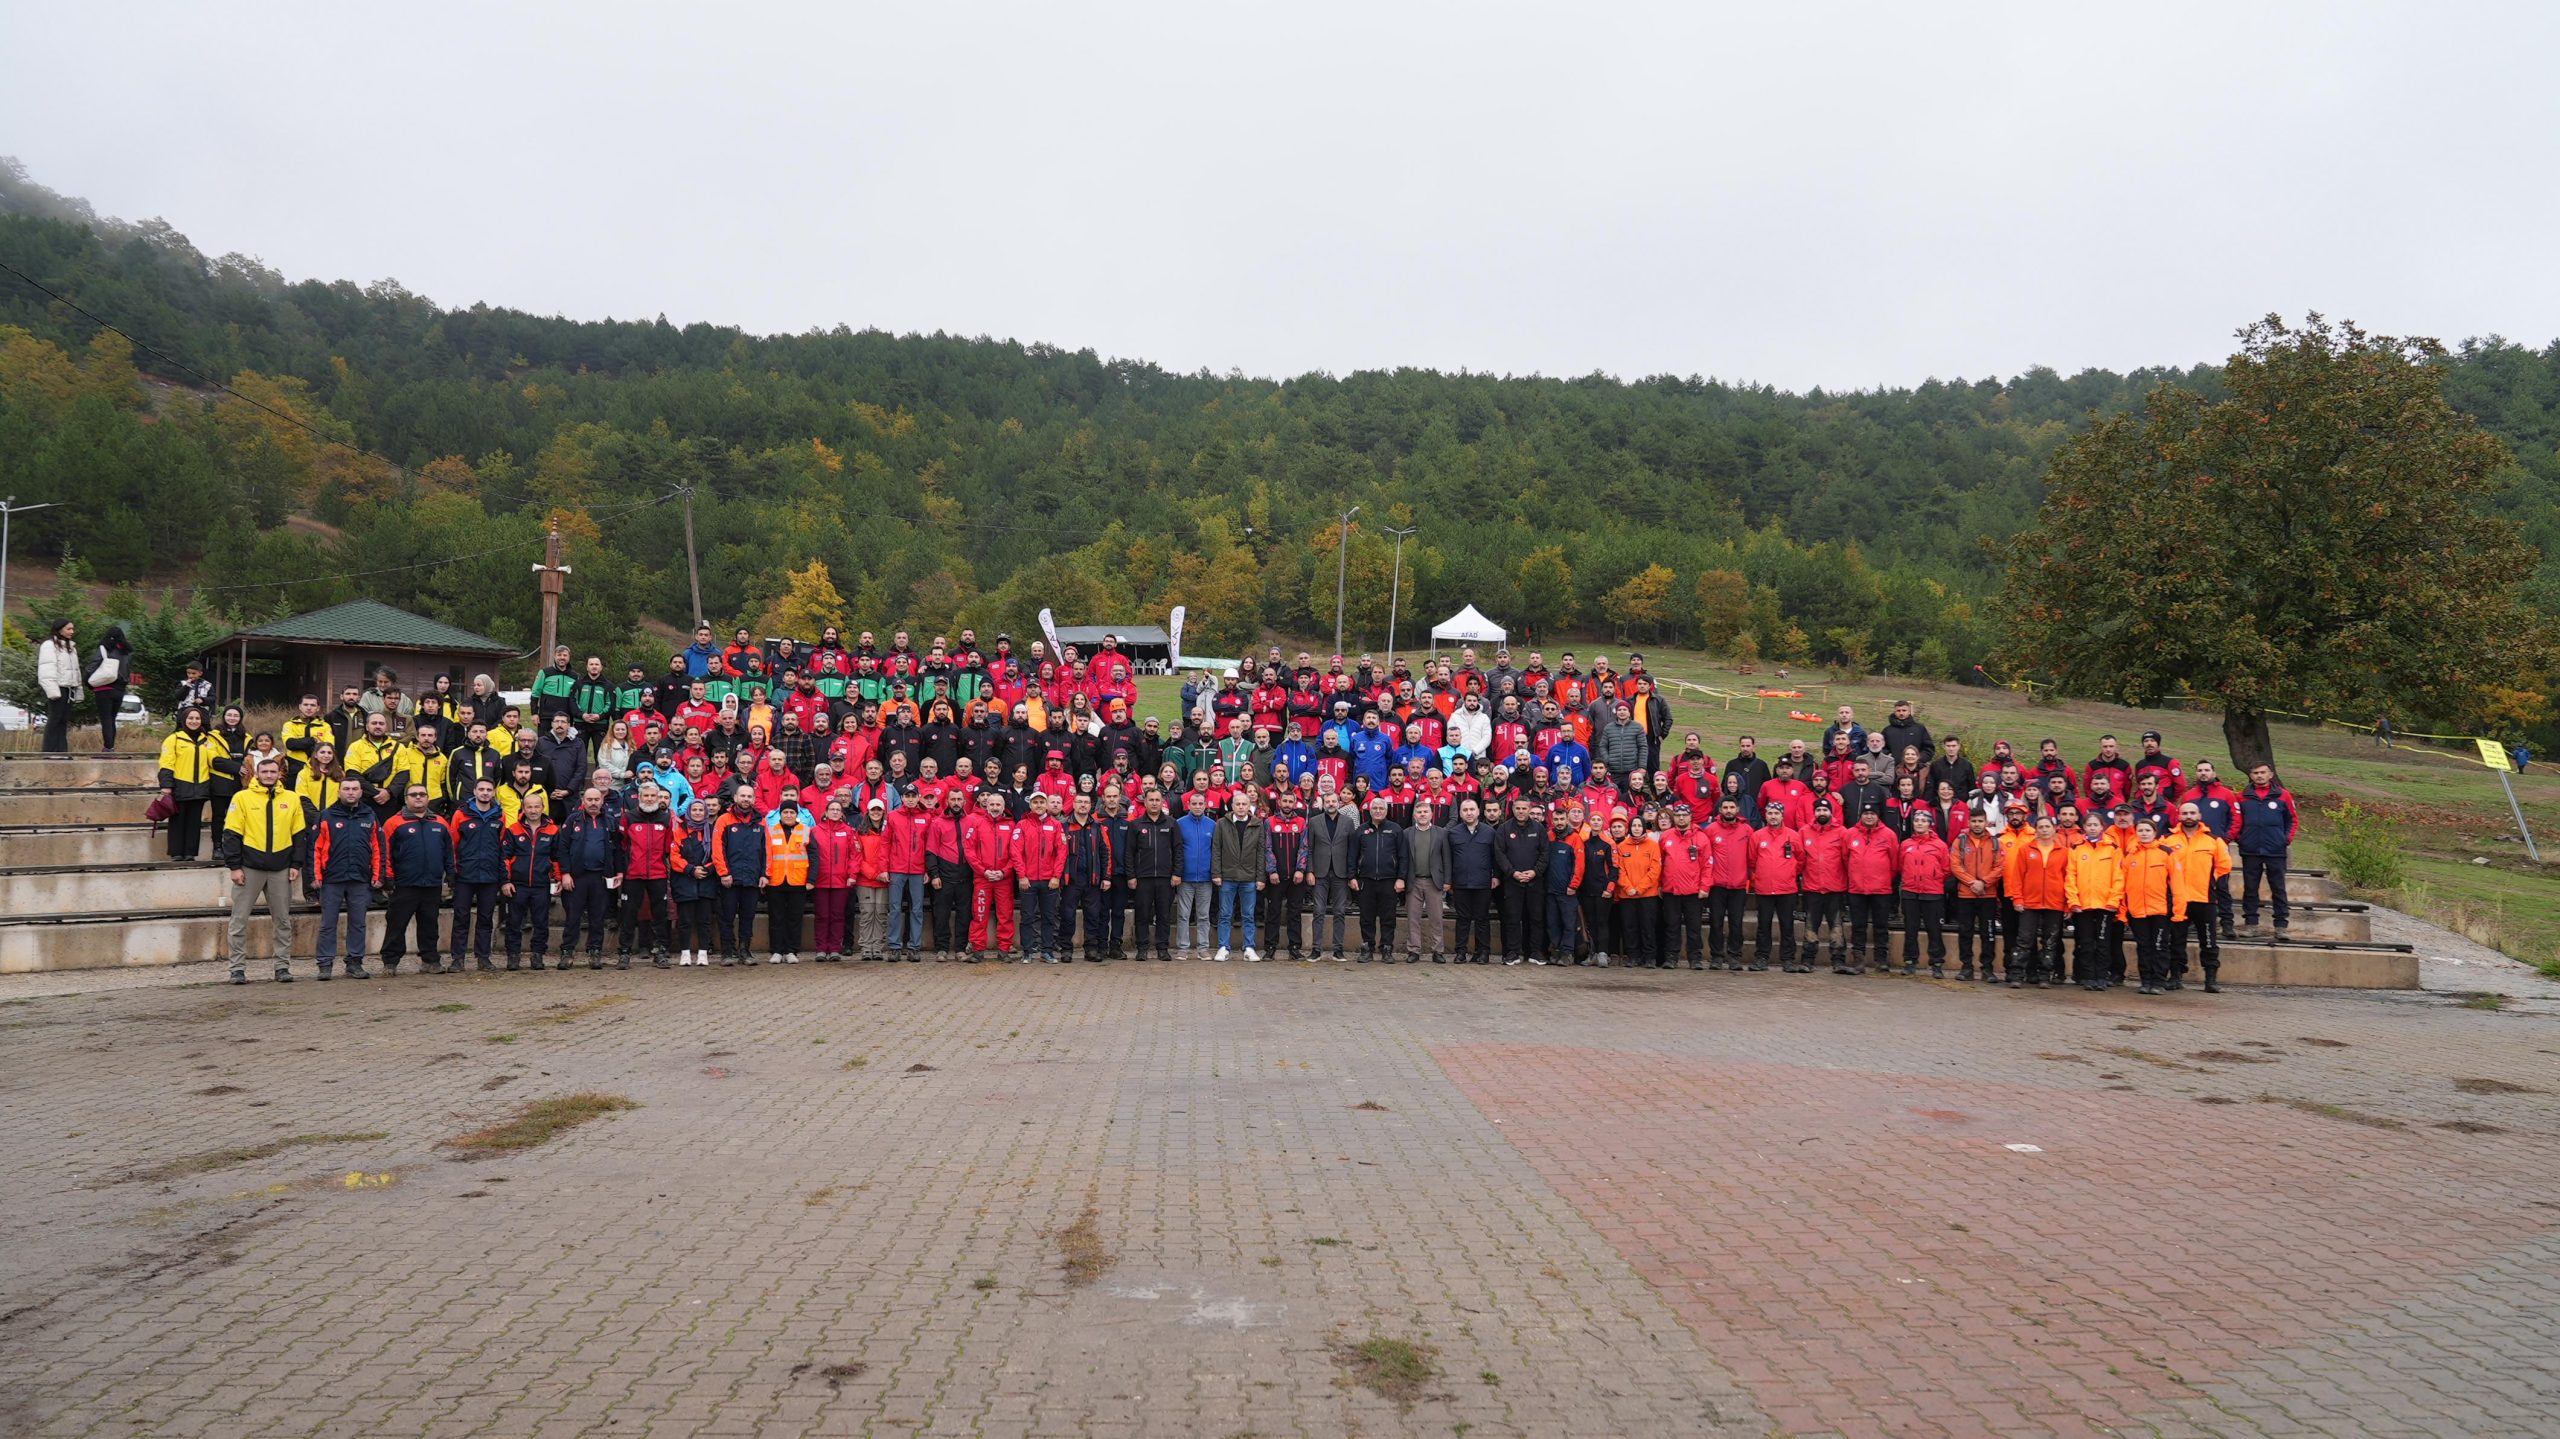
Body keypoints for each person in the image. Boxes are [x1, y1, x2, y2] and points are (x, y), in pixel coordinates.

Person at [308, 776, 382, 979]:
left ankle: (355, 962)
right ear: (339, 791)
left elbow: (377, 848)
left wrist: (378, 875)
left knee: (358, 923)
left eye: (355, 789)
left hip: (360, 878)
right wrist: (315, 875)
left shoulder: (369, 815)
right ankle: (325, 964)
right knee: (328, 923)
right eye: (347, 789)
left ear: (361, 792)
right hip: (331, 878)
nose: (351, 792)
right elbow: (315, 848)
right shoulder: (326, 815)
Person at [379, 783, 453, 976]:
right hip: (404, 885)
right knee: (396, 925)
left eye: (422, 794)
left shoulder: (440, 823)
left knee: (430, 925)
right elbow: (384, 852)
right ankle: (390, 962)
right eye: (413, 795)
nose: (418, 797)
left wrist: (450, 875)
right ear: (406, 799)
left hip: (432, 884)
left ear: (428, 798)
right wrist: (388, 878)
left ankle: (430, 960)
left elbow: (449, 853)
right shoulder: (393, 823)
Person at [2167, 801, 2233, 993]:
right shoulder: (2168, 840)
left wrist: (2211, 881)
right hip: (2178, 900)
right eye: (2185, 813)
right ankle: (2176, 976)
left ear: (2199, 816)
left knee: (2209, 940)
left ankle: (2211, 979)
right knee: (2176, 940)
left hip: (2204, 898)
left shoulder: (2213, 840)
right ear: (2179, 816)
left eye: (2192, 813)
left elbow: (2224, 865)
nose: (2188, 816)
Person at [446, 777, 509, 973]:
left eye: (489, 789)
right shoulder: (460, 814)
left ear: (493, 793)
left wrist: (502, 875)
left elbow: (501, 847)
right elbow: (452, 845)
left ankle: (483, 958)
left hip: (489, 877)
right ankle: (457, 959)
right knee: (461, 918)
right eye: (481, 789)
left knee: (485, 918)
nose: (485, 793)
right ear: (474, 791)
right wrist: (452, 873)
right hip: (465, 875)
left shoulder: (500, 816)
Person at [557, 788, 625, 968]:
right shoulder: (573, 820)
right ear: (583, 801)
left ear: (602, 800)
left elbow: (617, 849)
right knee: (573, 916)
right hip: (576, 877)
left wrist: (619, 872)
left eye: (596, 799)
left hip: (601, 877)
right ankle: (567, 952)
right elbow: (562, 848)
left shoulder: (610, 822)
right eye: (589, 799)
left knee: (598, 917)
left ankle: (595, 952)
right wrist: (564, 873)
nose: (593, 803)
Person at [2004, 814, 2072, 987]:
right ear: (2036, 830)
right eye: (2040, 827)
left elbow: (2068, 878)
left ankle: (2044, 976)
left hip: (2054, 902)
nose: (2044, 830)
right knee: (2024, 939)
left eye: (2047, 826)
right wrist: (2017, 898)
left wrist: (2067, 904)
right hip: (2029, 902)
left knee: (2050, 941)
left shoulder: (2064, 852)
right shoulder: (2025, 850)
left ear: (2054, 829)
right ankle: (2017, 975)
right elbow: (2017, 876)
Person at [620, 781, 679, 966]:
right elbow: (622, 845)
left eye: (653, 795)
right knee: (629, 914)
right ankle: (624, 952)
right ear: (639, 797)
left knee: (660, 914)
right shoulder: (628, 817)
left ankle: (661, 951)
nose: (650, 799)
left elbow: (669, 846)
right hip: (633, 874)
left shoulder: (665, 818)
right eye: (646, 795)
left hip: (658, 873)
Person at [156, 705, 226, 862]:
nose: (194, 721)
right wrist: (166, 785)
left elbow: (213, 760)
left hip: (201, 786)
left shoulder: (206, 740)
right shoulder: (174, 739)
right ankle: (176, 853)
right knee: (177, 821)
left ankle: (190, 853)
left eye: (197, 718)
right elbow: (166, 763)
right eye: (191, 718)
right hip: (180, 785)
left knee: (194, 822)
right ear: (184, 720)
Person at [2235, 763, 2297, 933]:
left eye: (2263, 772)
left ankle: (2281, 925)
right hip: (2250, 850)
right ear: (2251, 775)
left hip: (2275, 850)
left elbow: (2292, 820)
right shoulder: (2242, 797)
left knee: (2278, 887)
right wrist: (2242, 839)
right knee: (2250, 888)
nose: (2259, 776)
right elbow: (2236, 821)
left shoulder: (2283, 795)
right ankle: (2251, 924)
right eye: (2255, 773)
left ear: (2270, 774)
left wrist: (2285, 840)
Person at [2065, 813, 2125, 989]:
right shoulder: (2076, 848)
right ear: (2084, 827)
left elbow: (2118, 877)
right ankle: (2087, 977)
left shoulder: (2113, 848)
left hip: (2105, 905)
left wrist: (2113, 901)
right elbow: (2071, 876)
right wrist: (2073, 900)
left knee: (2103, 943)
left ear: (2102, 827)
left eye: (2095, 825)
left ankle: (2101, 977)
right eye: (2089, 824)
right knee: (2085, 943)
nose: (2092, 828)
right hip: (2082, 906)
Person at [503, 796, 562, 970]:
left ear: (543, 807)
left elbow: (556, 858)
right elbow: (505, 858)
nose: (533, 810)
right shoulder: (513, 830)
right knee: (514, 922)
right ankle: (513, 956)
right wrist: (505, 881)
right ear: (523, 808)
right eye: (529, 807)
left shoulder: (552, 830)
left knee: (541, 922)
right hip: (517, 884)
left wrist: (558, 878)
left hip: (541, 884)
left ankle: (537, 955)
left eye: (537, 806)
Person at [1947, 807, 2004, 982]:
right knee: (1965, 932)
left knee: (1988, 933)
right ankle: (1966, 967)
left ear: (1986, 822)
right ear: (1968, 822)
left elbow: (2000, 866)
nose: (1977, 824)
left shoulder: (1995, 842)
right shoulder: (1960, 841)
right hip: (1966, 894)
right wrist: (1972, 882)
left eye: (1980, 821)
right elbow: (1955, 865)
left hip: (1987, 895)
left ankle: (1987, 969)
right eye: (1974, 821)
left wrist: (1984, 882)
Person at [2121, 818, 2177, 995]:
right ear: (2136, 833)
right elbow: (2122, 886)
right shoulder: (2130, 856)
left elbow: (2177, 883)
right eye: (2140, 830)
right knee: (2143, 947)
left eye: (2147, 830)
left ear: (2155, 833)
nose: (2144, 833)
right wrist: (2123, 911)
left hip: (2160, 910)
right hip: (2137, 911)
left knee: (2160, 946)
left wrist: (2178, 909)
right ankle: (2145, 981)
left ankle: (2158, 981)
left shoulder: (2166, 853)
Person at [1211, 791, 1268, 962]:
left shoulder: (1258, 824)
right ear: (1232, 806)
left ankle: (1249, 947)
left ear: (1250, 806)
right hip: (1227, 876)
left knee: (1248, 915)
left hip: (1249, 878)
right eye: (1238, 804)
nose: (1241, 807)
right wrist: (1217, 873)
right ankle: (1223, 947)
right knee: (1225, 914)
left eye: (1244, 804)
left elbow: (1260, 853)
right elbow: (1216, 849)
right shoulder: (1222, 824)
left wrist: (1260, 877)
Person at [710, 789, 766, 965]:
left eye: (749, 796)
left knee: (748, 916)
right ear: (735, 798)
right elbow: (717, 849)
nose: (746, 799)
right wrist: (724, 872)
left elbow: (767, 850)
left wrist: (765, 873)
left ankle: (745, 951)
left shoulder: (761, 822)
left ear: (754, 799)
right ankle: (727, 952)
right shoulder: (724, 820)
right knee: (727, 916)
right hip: (730, 879)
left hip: (752, 877)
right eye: (742, 796)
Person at [1350, 794, 1408, 960]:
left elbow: (1403, 856)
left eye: (1381, 808)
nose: (1377, 811)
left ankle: (1387, 948)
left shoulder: (1395, 829)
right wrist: (1352, 876)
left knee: (1388, 917)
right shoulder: (1361, 830)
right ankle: (1367, 948)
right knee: (1366, 917)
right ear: (1369, 810)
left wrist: (1401, 878)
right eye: (1374, 808)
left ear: (1386, 810)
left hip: (1389, 881)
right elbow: (1352, 855)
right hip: (1366, 881)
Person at [1746, 801, 1802, 971]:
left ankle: (1788, 959)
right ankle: (1762, 957)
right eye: (1770, 813)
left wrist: (1789, 872)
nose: (1773, 816)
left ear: (1782, 815)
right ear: (1766, 815)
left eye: (1776, 813)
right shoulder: (1757, 836)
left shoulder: (1793, 836)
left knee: (1787, 925)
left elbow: (1800, 860)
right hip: (1764, 888)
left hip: (1787, 889)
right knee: (1764, 925)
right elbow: (1752, 861)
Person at [1014, 791, 1068, 963]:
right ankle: (1027, 952)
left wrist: (1055, 876)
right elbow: (1016, 852)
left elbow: (1061, 852)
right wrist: (1022, 876)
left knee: (1049, 917)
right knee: (1027, 917)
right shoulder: (1022, 825)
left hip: (1049, 880)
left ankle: (1047, 951)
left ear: (1046, 805)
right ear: (1030, 805)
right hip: (1028, 881)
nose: (1038, 805)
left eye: (1041, 802)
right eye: (1035, 802)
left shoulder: (1056, 825)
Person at [1897, 808, 1951, 976]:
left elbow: (1946, 869)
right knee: (1910, 929)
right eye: (1917, 820)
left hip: (1932, 893)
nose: (1919, 823)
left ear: (1930, 824)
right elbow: (1900, 866)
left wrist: (1934, 878)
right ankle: (1910, 961)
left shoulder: (1940, 845)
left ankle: (1936, 964)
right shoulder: (1906, 844)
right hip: (1910, 892)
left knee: (1934, 929)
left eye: (1923, 820)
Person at [1308, 789, 1361, 961]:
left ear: (1338, 803)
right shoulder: (1314, 822)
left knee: (1339, 911)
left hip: (1341, 872)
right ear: (1323, 804)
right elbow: (1309, 849)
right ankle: (1316, 948)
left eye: (1333, 801)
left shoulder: (1347, 822)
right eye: (1327, 801)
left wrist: (1351, 874)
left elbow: (1352, 850)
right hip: (1320, 872)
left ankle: (1338, 949)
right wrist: (1309, 870)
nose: (1331, 804)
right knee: (1318, 911)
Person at [762, 792, 812, 963]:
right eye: (785, 812)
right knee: (776, 918)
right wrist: (765, 875)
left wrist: (811, 880)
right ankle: (776, 950)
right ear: (780, 814)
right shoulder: (771, 830)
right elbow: (765, 854)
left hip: (798, 881)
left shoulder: (805, 830)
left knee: (794, 918)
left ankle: (791, 951)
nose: (789, 815)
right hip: (775, 880)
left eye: (792, 812)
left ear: (797, 814)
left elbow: (814, 856)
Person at [810, 793, 860, 961]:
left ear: (842, 813)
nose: (835, 812)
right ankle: (821, 949)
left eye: (838, 810)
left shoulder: (848, 831)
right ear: (826, 811)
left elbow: (855, 855)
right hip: (821, 880)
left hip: (841, 881)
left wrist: (852, 875)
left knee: (838, 916)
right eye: (832, 809)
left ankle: (835, 949)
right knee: (822, 916)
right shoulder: (815, 831)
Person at [1402, 793, 1450, 962]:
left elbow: (1447, 858)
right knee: (1413, 918)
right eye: (1419, 812)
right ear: (1415, 815)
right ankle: (1414, 950)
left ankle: (1438, 951)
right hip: (1413, 881)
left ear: (1431, 814)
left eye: (1425, 812)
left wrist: (1447, 880)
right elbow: (1404, 858)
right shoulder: (1406, 833)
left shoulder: (1441, 833)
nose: (1422, 814)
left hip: (1434, 881)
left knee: (1436, 918)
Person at [1170, 790, 1217, 958]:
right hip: (1185, 878)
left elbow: (1216, 851)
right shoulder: (1180, 824)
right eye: (1194, 804)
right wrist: (1177, 872)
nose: (1197, 807)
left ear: (1205, 805)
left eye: (1200, 804)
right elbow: (1176, 850)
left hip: (1205, 878)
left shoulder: (1212, 825)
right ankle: (1183, 948)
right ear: (1188, 805)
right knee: (1183, 915)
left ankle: (1203, 948)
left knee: (1203, 915)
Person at [36, 618, 81, 753]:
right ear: (59, 629)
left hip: (69, 688)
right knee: (55, 719)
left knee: (63, 720)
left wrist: (78, 689)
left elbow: (76, 670)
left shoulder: (70, 647)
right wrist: (53, 691)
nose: (72, 631)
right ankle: (49, 751)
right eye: (68, 629)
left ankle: (61, 751)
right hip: (58, 687)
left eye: (72, 628)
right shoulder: (49, 645)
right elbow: (47, 670)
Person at [88, 623, 133, 752]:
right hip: (119, 690)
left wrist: (88, 681)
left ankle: (108, 747)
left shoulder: (104, 649)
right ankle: (111, 746)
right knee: (112, 719)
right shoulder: (126, 652)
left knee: (106, 719)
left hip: (104, 688)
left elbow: (93, 665)